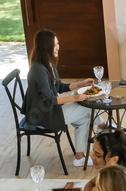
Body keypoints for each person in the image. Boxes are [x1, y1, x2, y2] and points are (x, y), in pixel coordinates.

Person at [23, 28, 96, 167]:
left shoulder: (49, 63)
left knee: (85, 118)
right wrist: (75, 98)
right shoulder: (39, 69)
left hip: (51, 110)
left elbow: (60, 87)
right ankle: (102, 126)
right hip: (43, 116)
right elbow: (50, 99)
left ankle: (79, 157)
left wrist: (81, 83)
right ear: (46, 47)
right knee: (89, 108)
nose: (58, 47)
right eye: (55, 44)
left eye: (58, 43)